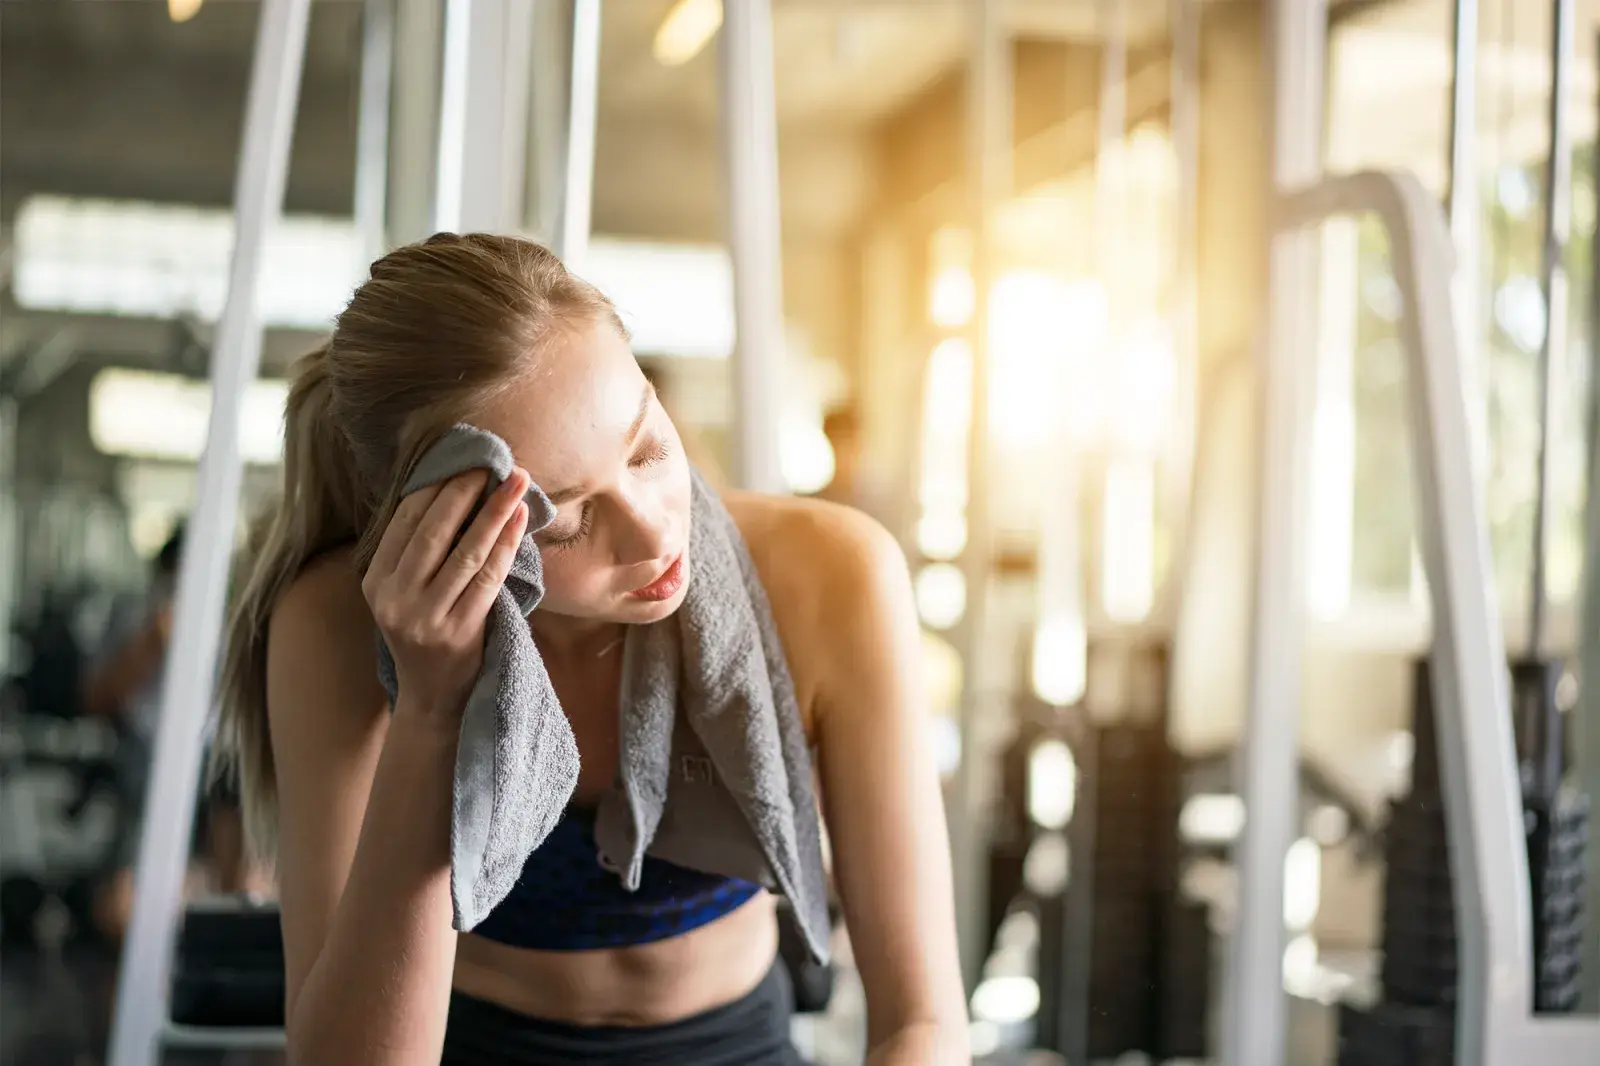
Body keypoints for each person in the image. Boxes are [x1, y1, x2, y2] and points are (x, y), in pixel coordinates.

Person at [214, 234, 968, 1066]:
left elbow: (923, 1025)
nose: (653, 532)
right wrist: (431, 707)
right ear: (434, 517)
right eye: (567, 518)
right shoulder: (337, 627)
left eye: (647, 448)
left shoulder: (833, 578)